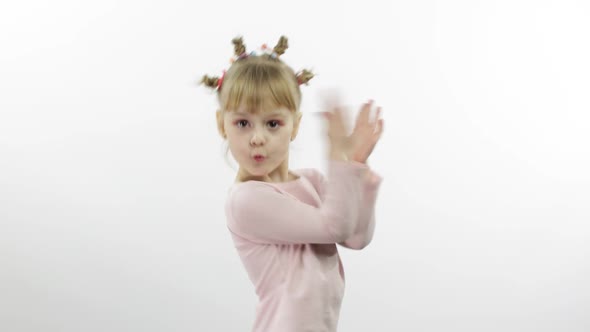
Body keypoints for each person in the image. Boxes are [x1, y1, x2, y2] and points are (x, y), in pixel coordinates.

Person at [201, 35, 384, 332]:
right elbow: (334, 226)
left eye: (272, 123)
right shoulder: (246, 200)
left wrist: (356, 164)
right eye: (242, 123)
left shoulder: (311, 180)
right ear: (222, 124)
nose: (257, 137)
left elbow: (355, 237)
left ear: (295, 125)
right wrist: (337, 155)